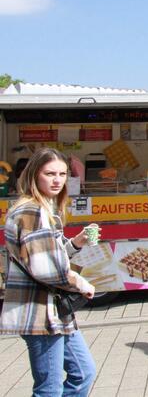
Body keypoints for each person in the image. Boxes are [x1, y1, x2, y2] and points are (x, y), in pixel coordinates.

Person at [1, 147, 97, 396]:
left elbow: (46, 254)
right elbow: (45, 269)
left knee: (83, 373)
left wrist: (75, 243)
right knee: (49, 389)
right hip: (39, 313)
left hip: (55, 313)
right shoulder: (31, 211)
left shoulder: (43, 208)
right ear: (34, 174)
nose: (57, 180)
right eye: (50, 173)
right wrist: (79, 282)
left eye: (62, 174)